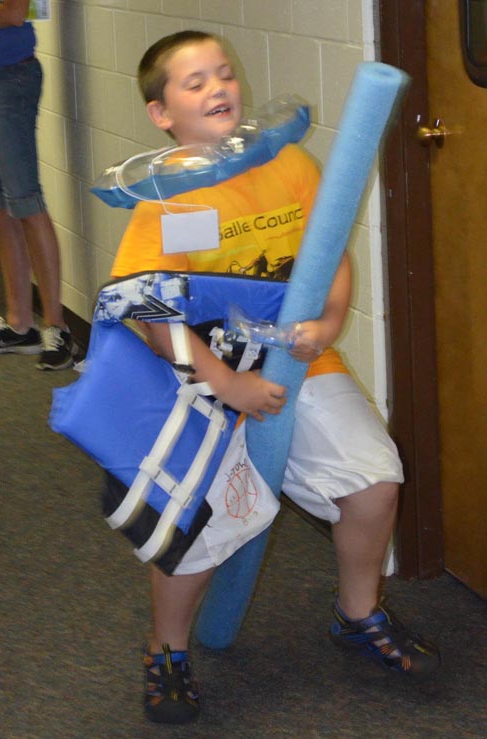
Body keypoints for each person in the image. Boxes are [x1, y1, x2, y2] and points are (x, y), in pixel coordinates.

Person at [104, 31, 440, 725]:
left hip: (299, 359)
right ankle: (166, 649)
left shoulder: (289, 164)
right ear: (160, 112)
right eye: (193, 82)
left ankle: (357, 613)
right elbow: (152, 316)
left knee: (376, 482)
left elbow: (330, 250)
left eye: (223, 73)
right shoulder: (164, 203)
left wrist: (330, 320)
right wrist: (229, 386)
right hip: (199, 375)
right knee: (198, 518)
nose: (217, 87)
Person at [0, 0, 77, 370]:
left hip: (9, 79)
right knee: (1, 206)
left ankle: (57, 327)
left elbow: (13, 12)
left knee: (26, 200)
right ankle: (20, 324)